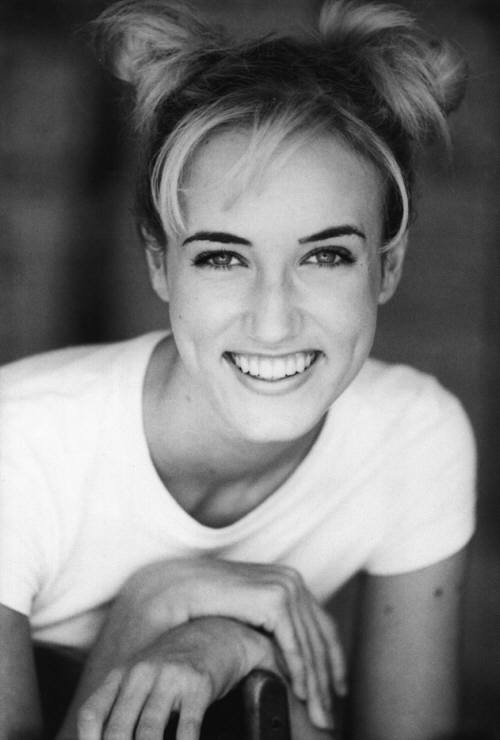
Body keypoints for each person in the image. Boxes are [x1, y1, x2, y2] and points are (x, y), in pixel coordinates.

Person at [0, 1, 476, 738]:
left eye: (326, 256)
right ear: (160, 264)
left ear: (388, 266)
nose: (273, 321)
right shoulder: (19, 449)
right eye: (223, 258)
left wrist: (235, 650)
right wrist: (155, 609)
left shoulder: (412, 438)